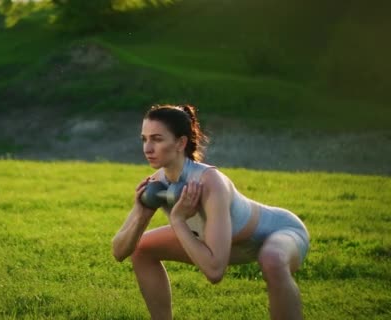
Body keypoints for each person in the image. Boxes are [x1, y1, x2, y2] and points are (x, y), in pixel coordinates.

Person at [111, 105, 310, 320]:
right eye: (144, 139)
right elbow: (119, 251)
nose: (147, 148)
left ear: (181, 143)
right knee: (141, 249)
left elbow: (215, 272)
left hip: (278, 231)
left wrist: (178, 220)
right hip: (231, 244)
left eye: (157, 139)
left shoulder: (209, 182)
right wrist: (142, 215)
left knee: (272, 260)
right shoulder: (157, 183)